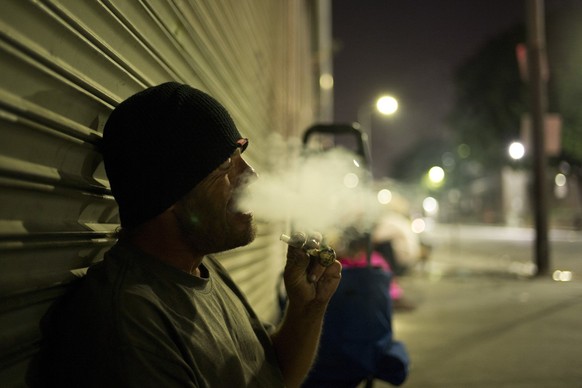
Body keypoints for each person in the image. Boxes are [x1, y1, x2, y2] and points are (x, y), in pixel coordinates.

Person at [29, 82, 342, 388]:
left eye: (239, 156)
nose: (251, 175)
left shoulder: (203, 268)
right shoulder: (130, 324)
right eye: (225, 164)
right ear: (168, 194)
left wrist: (306, 309)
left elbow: (276, 375)